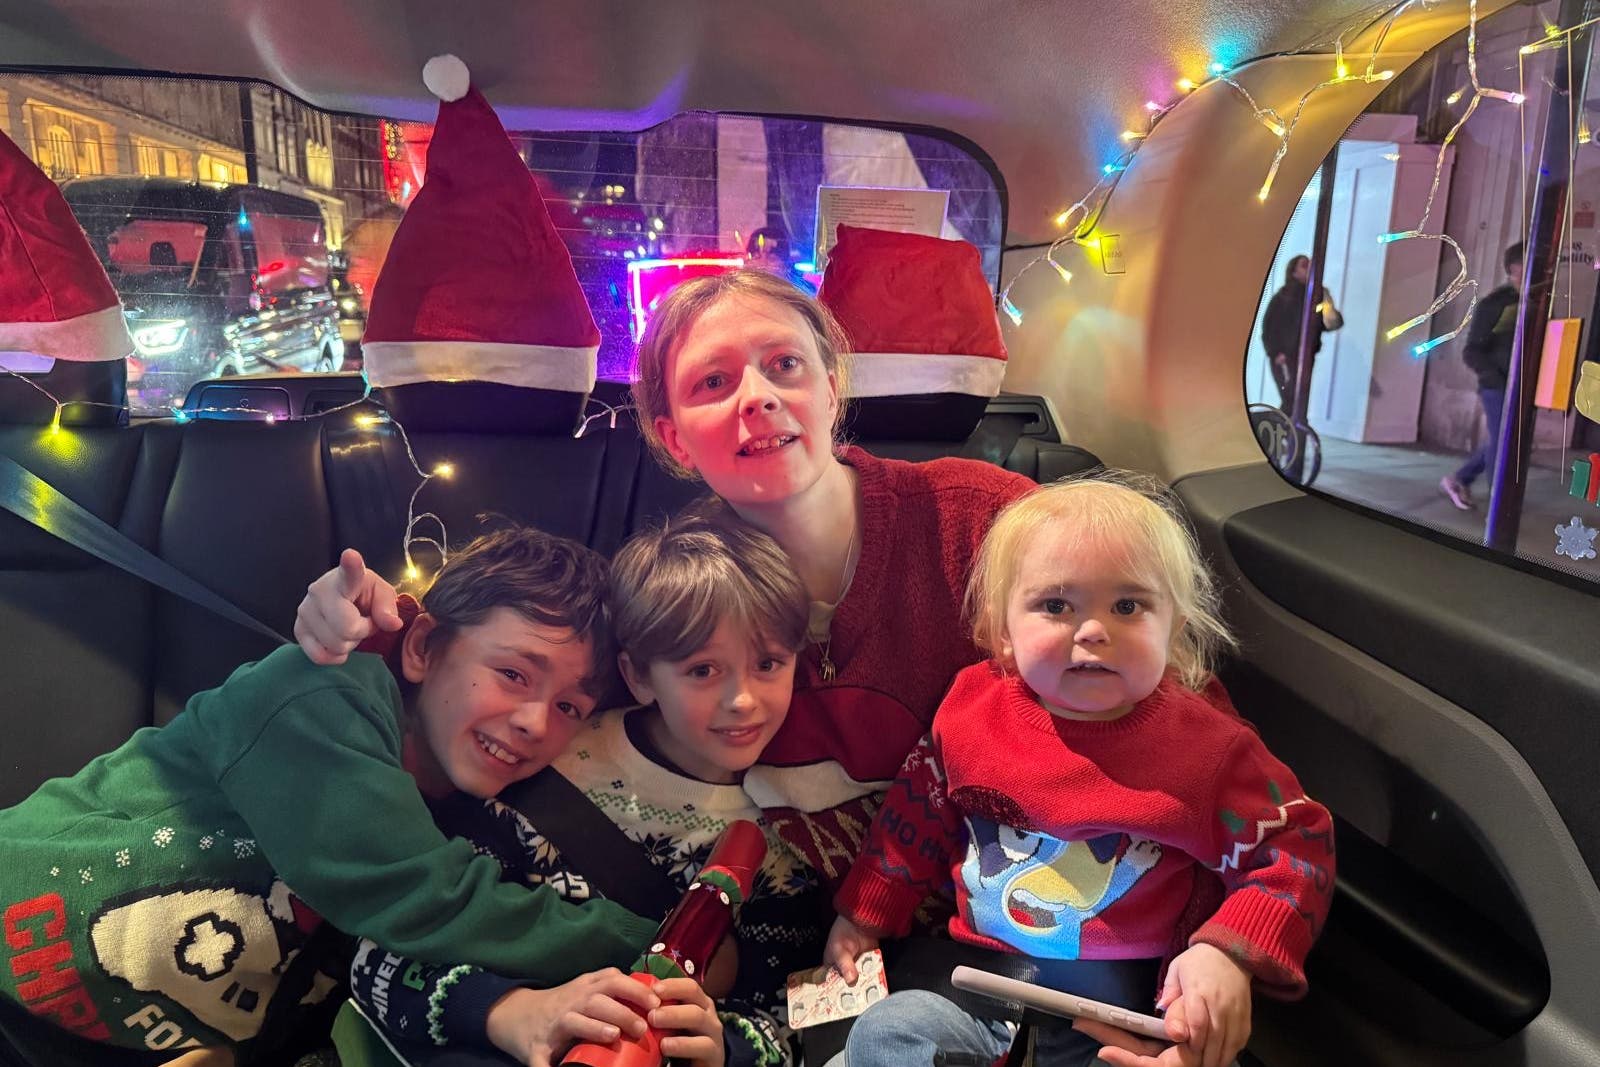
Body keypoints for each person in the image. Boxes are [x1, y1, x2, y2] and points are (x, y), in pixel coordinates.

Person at [293, 268, 1036, 893]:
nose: (758, 396)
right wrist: (362, 632)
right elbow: (500, 695)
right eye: (714, 381)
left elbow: (1139, 672)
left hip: (1009, 910)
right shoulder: (669, 593)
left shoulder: (983, 520)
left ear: (833, 389)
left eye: (785, 365)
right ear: (674, 433)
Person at [0, 529, 662, 1067]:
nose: (535, 721)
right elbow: (424, 896)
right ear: (425, 645)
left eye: (570, 706)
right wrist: (661, 944)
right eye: (513, 673)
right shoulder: (319, 695)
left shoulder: (470, 815)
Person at [823, 474, 1336, 1067]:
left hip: (1128, 1020)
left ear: (1175, 627)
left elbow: (1299, 846)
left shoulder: (1209, 749)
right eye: (1056, 605)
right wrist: (865, 913)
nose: (1094, 630)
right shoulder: (971, 712)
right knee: (884, 1035)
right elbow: (915, 815)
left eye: (1128, 606)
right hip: (980, 994)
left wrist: (1229, 954)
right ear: (1001, 630)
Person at [343, 514, 833, 1067]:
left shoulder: (799, 826)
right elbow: (382, 961)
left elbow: (797, 1014)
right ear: (640, 676)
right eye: (702, 670)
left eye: (769, 664)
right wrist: (510, 1010)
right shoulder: (544, 760)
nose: (742, 699)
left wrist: (726, 1049)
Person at [1441, 242, 1523, 511]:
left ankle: (1459, 479)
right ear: (1514, 269)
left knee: (1506, 441)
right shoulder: (1496, 304)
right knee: (1504, 445)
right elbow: (1471, 351)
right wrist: (1497, 379)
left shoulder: (1537, 301)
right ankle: (1500, 507)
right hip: (1498, 386)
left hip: (1521, 386)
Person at [1260, 255, 1343, 414]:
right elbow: (1269, 328)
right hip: (1283, 357)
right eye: (1304, 266)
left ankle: (1287, 433)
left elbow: (1330, 323)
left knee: (1299, 402)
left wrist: (1327, 305)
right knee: (1290, 399)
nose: (1309, 269)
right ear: (1294, 272)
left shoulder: (1317, 296)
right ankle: (1277, 430)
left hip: (1304, 356)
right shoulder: (1283, 297)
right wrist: (1276, 352)